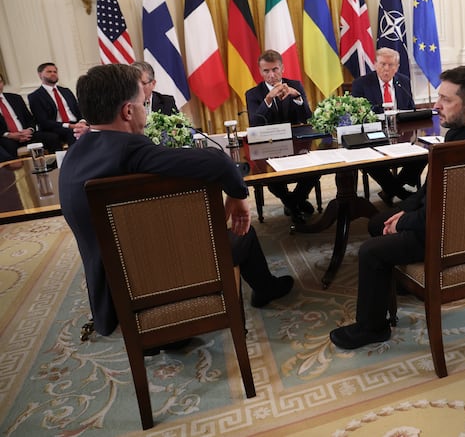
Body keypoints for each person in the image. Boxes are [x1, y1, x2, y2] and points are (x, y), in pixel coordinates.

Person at [59, 64, 293, 340]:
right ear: (128, 111)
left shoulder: (73, 156)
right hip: (165, 277)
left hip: (113, 290)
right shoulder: (130, 149)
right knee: (244, 232)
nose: (146, 109)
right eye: (142, 103)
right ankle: (265, 288)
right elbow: (218, 161)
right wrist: (239, 197)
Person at [329, 66, 465, 350]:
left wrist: (404, 222)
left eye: (446, 100)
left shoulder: (463, 149)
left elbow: (441, 212)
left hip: (451, 237)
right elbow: (431, 193)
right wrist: (402, 213)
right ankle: (398, 283)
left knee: (370, 251)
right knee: (377, 221)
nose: (436, 105)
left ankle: (372, 328)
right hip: (450, 221)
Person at [245, 49, 317, 223]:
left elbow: (307, 117)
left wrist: (297, 96)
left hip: (296, 143)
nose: (271, 75)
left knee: (315, 171)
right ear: (260, 72)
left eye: (275, 69)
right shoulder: (253, 94)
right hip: (268, 145)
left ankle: (293, 201)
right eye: (266, 71)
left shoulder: (295, 85)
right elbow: (255, 123)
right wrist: (268, 98)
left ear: (282, 68)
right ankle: (294, 204)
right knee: (270, 177)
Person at [351, 48, 425, 205]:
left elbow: (410, 109)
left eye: (391, 65)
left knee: (424, 152)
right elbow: (357, 115)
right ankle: (403, 193)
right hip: (374, 134)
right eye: (382, 64)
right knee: (369, 160)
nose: (386, 68)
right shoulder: (361, 84)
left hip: (402, 134)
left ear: (397, 66)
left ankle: (390, 190)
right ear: (375, 64)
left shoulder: (403, 81)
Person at [0, 72, 61, 160]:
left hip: (27, 134)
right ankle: (17, 173)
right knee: (8, 147)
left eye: (0, 82)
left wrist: (30, 130)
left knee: (52, 138)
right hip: (8, 138)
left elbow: (30, 118)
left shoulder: (15, 98)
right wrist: (9, 135)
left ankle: (58, 165)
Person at [28, 62, 89, 146]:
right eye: (49, 72)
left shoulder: (66, 91)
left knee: (96, 128)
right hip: (57, 127)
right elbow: (43, 121)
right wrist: (70, 126)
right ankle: (77, 158)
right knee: (73, 132)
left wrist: (82, 122)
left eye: (55, 72)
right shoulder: (35, 96)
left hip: (76, 123)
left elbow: (79, 109)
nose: (53, 74)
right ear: (40, 74)